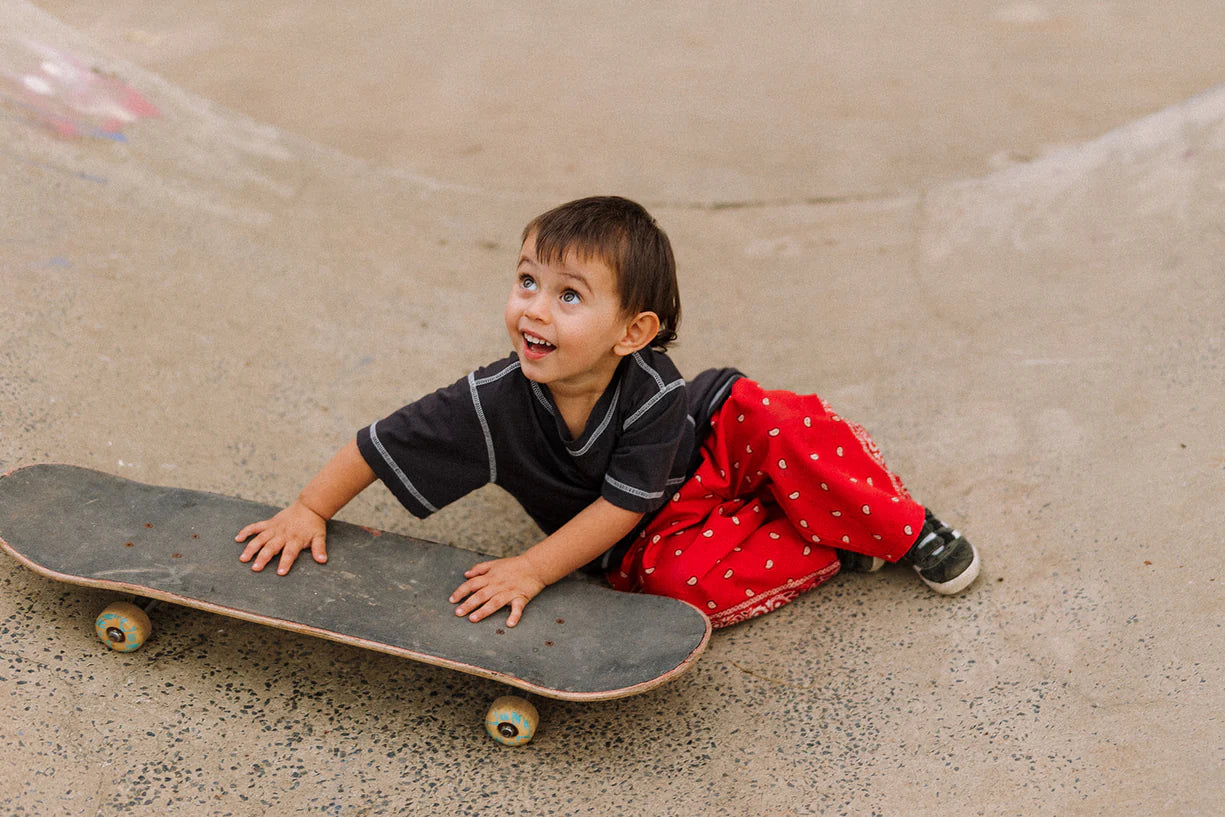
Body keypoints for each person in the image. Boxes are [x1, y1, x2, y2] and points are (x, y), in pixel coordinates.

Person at [235, 196, 980, 629]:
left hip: (709, 448)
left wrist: (530, 568)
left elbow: (624, 496)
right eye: (526, 280)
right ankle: (831, 539)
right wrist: (307, 507)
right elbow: (380, 442)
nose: (533, 307)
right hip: (655, 529)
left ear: (633, 333)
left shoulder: (656, 389)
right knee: (676, 592)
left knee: (776, 421)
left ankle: (904, 527)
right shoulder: (492, 403)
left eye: (568, 295)